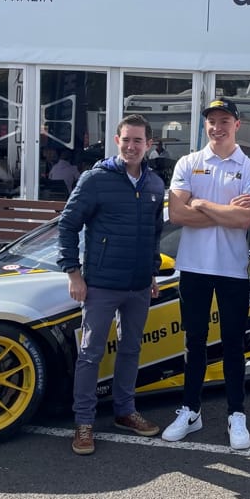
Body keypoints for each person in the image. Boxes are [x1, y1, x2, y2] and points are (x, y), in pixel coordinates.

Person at [56, 114, 166, 455]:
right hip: (101, 285)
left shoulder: (155, 185)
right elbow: (67, 225)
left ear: (149, 145)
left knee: (131, 350)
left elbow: (153, 236)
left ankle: (125, 411)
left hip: (137, 286)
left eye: (138, 141)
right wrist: (73, 273)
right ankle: (84, 422)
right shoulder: (95, 180)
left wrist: (150, 274)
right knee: (90, 354)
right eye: (126, 140)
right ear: (116, 141)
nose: (132, 146)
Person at [161, 97, 250, 450]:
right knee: (194, 342)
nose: (217, 127)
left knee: (234, 344)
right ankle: (191, 410)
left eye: (224, 120)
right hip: (192, 267)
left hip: (232, 270)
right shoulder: (189, 163)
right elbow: (177, 214)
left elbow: (245, 219)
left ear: (237, 125)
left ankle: (237, 414)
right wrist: (224, 211)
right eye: (211, 121)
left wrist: (202, 203)